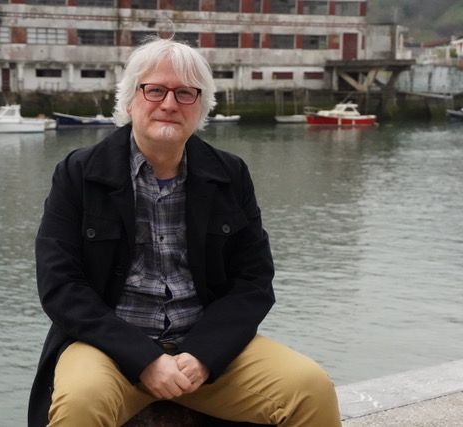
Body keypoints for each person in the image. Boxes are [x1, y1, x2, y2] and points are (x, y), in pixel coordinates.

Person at [28, 37, 341, 427]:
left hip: (204, 351)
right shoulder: (79, 173)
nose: (169, 104)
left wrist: (204, 355)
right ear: (130, 100)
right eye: (155, 90)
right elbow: (60, 285)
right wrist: (144, 358)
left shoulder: (229, 174)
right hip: (109, 350)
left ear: (202, 106)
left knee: (311, 387)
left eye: (185, 93)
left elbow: (254, 280)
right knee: (81, 402)